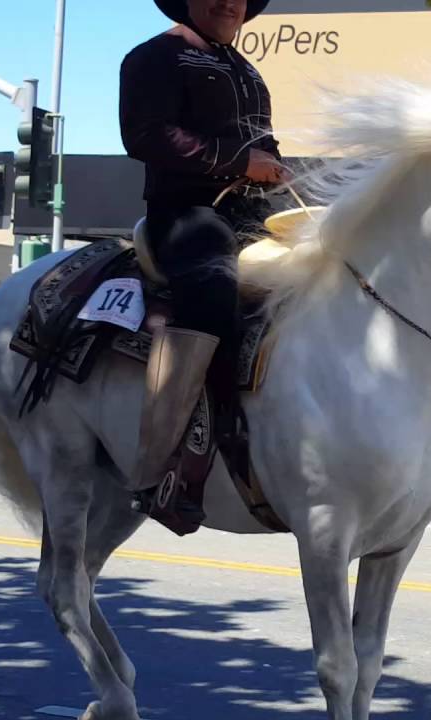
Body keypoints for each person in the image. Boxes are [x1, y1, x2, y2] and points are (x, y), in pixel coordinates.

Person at [120, 0, 288, 520]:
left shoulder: (244, 68)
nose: (228, 2)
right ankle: (171, 463)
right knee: (215, 292)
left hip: (250, 215)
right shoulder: (155, 56)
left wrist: (277, 167)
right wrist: (241, 162)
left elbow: (263, 142)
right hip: (186, 215)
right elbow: (144, 136)